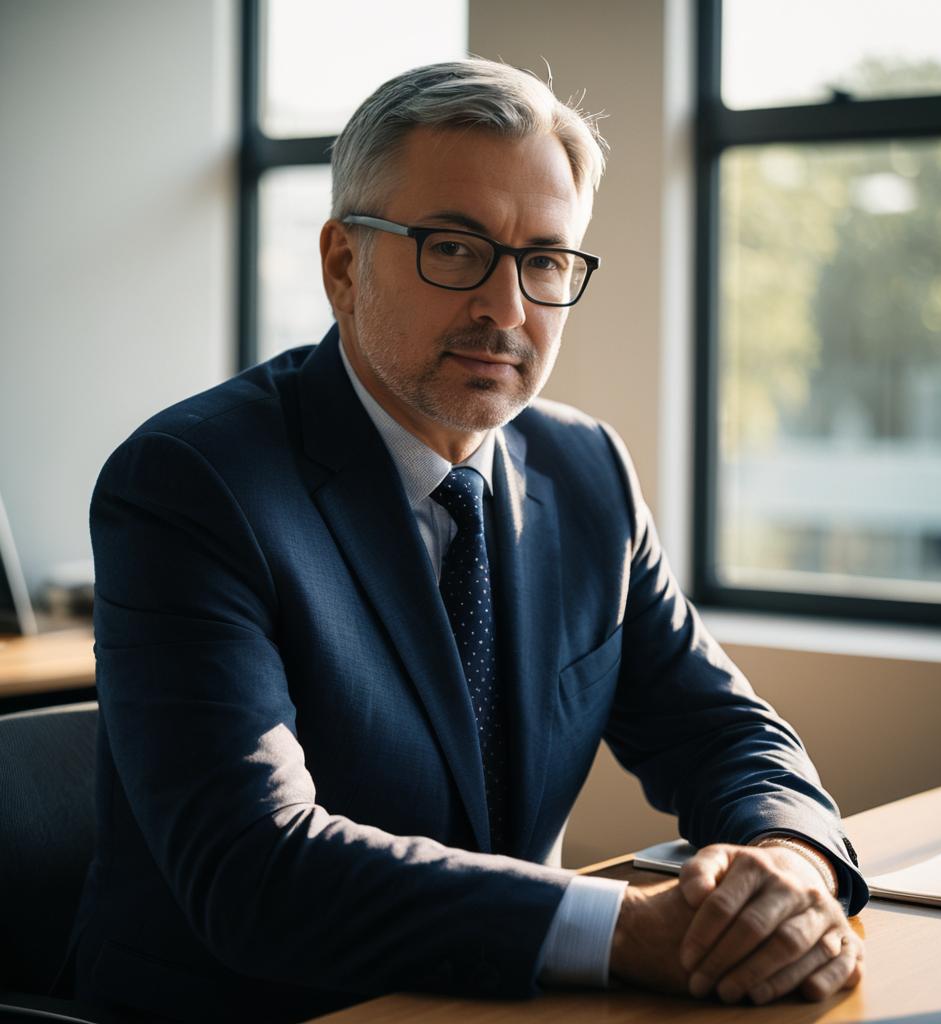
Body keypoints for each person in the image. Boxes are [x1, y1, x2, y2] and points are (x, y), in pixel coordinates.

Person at [71, 59, 867, 1024]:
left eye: (544, 260)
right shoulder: (193, 482)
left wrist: (787, 865)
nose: (506, 308)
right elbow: (257, 868)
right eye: (455, 248)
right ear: (342, 264)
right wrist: (623, 931)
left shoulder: (586, 471)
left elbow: (725, 734)